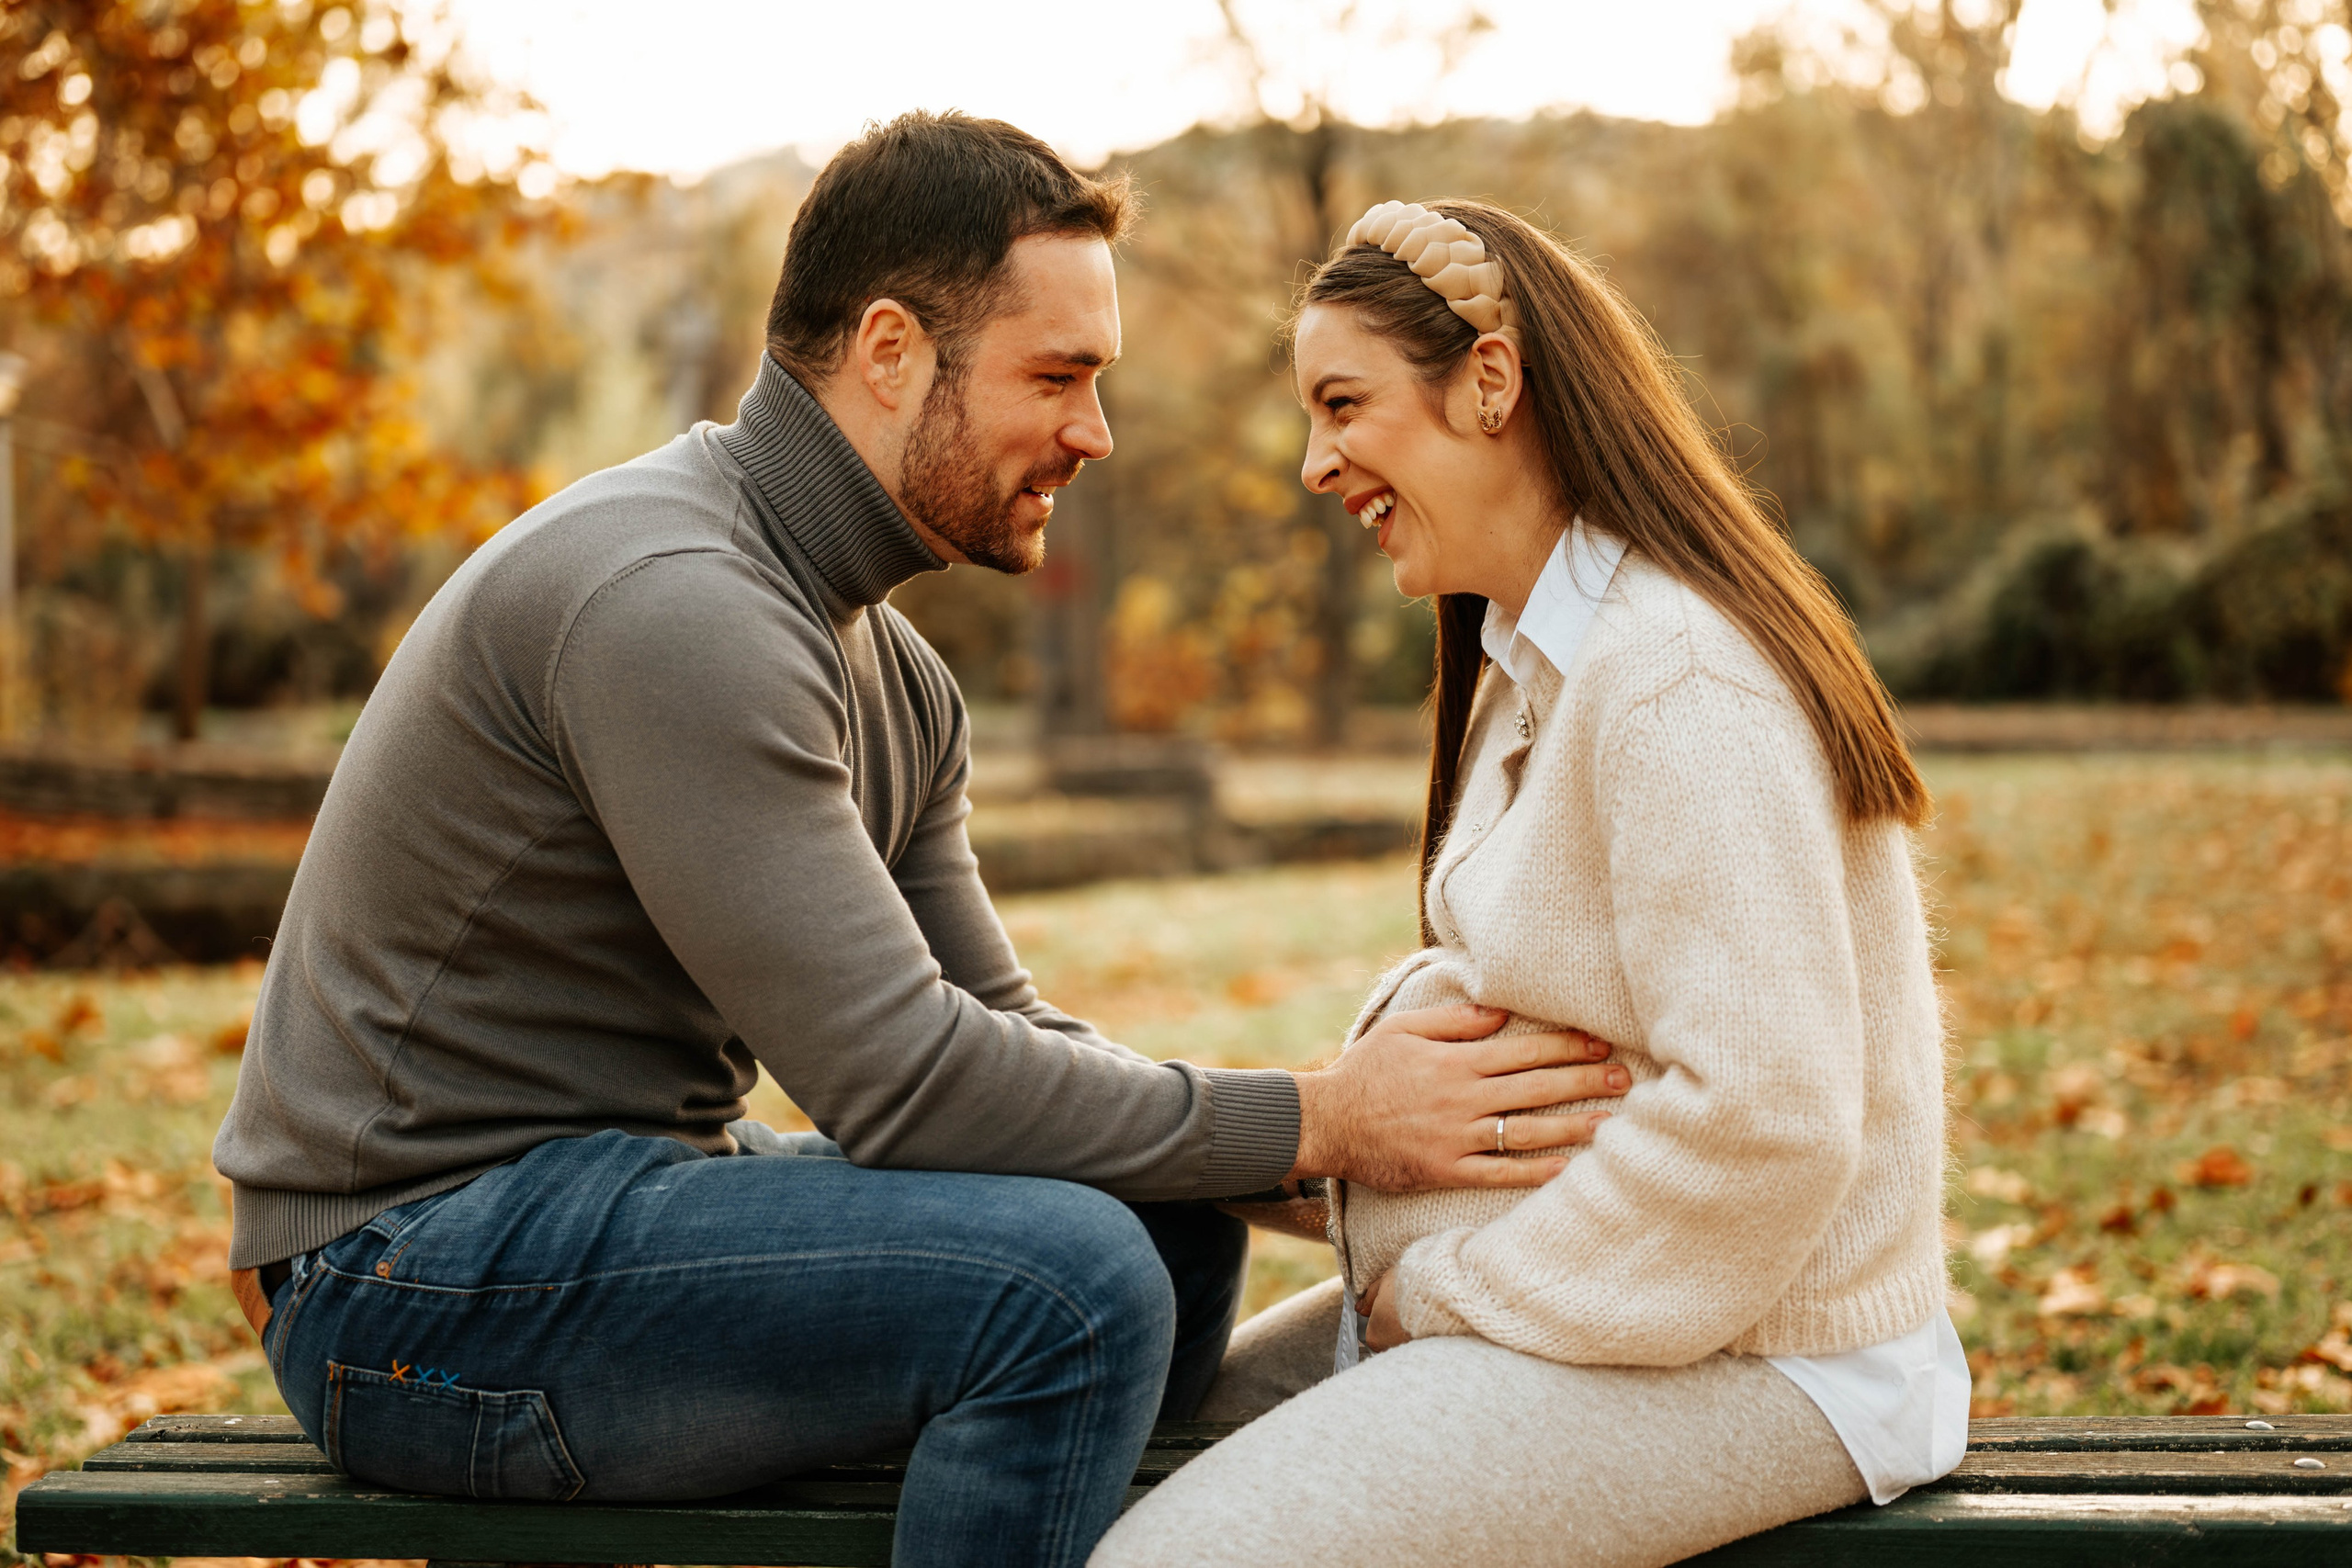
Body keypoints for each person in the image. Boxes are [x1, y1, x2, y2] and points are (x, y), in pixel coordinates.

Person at [210, 122, 1626, 1568]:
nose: (1095, 431)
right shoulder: (674, 602)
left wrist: (1366, 1160)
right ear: (890, 352)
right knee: (1071, 1284)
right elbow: (904, 1082)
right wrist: (1326, 1116)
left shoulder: (887, 669)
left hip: (598, 1204)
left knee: (1162, 1235)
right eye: (1057, 377)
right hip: (396, 1283)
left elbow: (1001, 1029)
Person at [1091, 200, 1963, 1568]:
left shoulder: (1676, 677)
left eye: (1344, 403)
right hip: (1597, 1317)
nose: (1317, 463)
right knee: (1111, 1450)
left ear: (1489, 382)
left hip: (1766, 1356)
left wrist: (1438, 1294)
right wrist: (1295, 1144)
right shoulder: (1538, 660)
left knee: (1171, 1563)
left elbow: (1768, 1125)